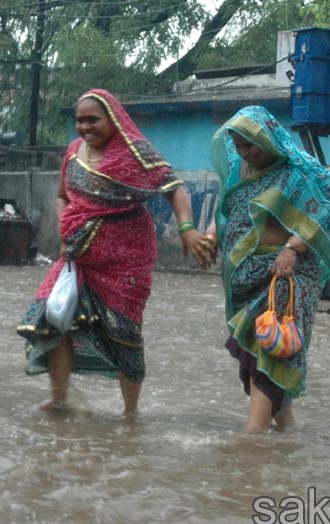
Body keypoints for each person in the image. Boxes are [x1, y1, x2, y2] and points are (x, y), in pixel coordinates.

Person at [17, 89, 206, 415]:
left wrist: (187, 229)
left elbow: (174, 187)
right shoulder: (74, 152)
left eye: (94, 120)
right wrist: (65, 229)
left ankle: (130, 413)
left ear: (114, 119)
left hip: (126, 264)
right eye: (80, 120)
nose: (85, 127)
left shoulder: (136, 154)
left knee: (125, 335)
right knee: (54, 319)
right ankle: (60, 399)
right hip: (77, 256)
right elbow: (62, 197)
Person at [192, 106, 330, 432]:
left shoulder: (300, 172)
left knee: (269, 350)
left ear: (267, 137)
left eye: (250, 145)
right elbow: (227, 209)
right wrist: (212, 236)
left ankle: (253, 437)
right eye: (239, 145)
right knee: (254, 351)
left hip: (285, 274)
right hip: (244, 277)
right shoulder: (238, 170)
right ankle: (287, 429)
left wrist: (292, 247)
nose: (245, 153)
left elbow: (324, 213)